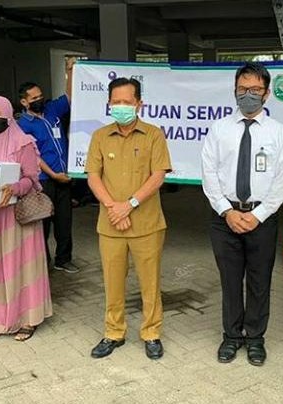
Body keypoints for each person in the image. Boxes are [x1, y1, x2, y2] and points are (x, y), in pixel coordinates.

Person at [201, 62, 283, 366]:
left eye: (255, 89)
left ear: (267, 94)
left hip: (262, 218)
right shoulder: (219, 129)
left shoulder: (279, 133)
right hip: (224, 217)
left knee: (259, 281)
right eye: (242, 89)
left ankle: (255, 338)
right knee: (230, 281)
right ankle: (231, 336)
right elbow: (209, 173)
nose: (248, 95)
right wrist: (227, 211)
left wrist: (259, 214)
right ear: (234, 91)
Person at [85, 77, 171, 360]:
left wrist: (129, 205)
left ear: (139, 104)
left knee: (150, 283)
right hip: (111, 225)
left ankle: (151, 333)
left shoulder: (154, 135)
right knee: (112, 282)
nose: (121, 106)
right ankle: (114, 332)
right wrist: (114, 207)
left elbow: (158, 176)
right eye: (116, 102)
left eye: (127, 102)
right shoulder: (100, 136)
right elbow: (93, 176)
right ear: (109, 104)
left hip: (147, 224)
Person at [0, 96, 53, 341]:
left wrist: (14, 188)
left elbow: (31, 178)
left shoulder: (23, 142)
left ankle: (27, 319)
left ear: (8, 114)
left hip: (17, 217)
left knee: (22, 266)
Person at [17, 58, 80, 274]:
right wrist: (53, 174)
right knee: (42, 223)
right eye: (34, 98)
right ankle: (43, 263)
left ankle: (64, 259)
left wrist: (69, 71)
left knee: (64, 222)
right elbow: (33, 155)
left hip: (64, 177)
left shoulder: (52, 109)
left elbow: (70, 96)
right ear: (24, 102)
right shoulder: (23, 125)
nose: (39, 100)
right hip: (43, 181)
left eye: (40, 96)